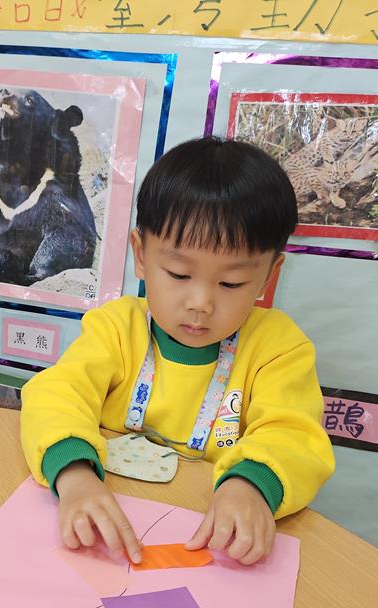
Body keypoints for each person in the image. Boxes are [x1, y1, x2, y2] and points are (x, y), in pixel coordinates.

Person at [20, 136, 335, 566]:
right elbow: (56, 396)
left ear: (268, 275)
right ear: (141, 255)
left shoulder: (278, 348)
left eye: (231, 283)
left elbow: (295, 435)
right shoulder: (116, 328)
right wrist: (74, 475)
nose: (201, 303)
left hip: (207, 534)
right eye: (179, 274)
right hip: (109, 513)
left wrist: (251, 486)